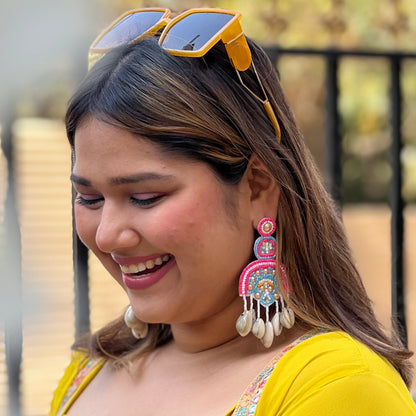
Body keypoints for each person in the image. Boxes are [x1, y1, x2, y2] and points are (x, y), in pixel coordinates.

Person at [49, 7, 416, 416]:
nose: (107, 235)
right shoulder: (90, 372)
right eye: (90, 199)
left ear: (257, 187)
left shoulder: (338, 386)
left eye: (145, 197)